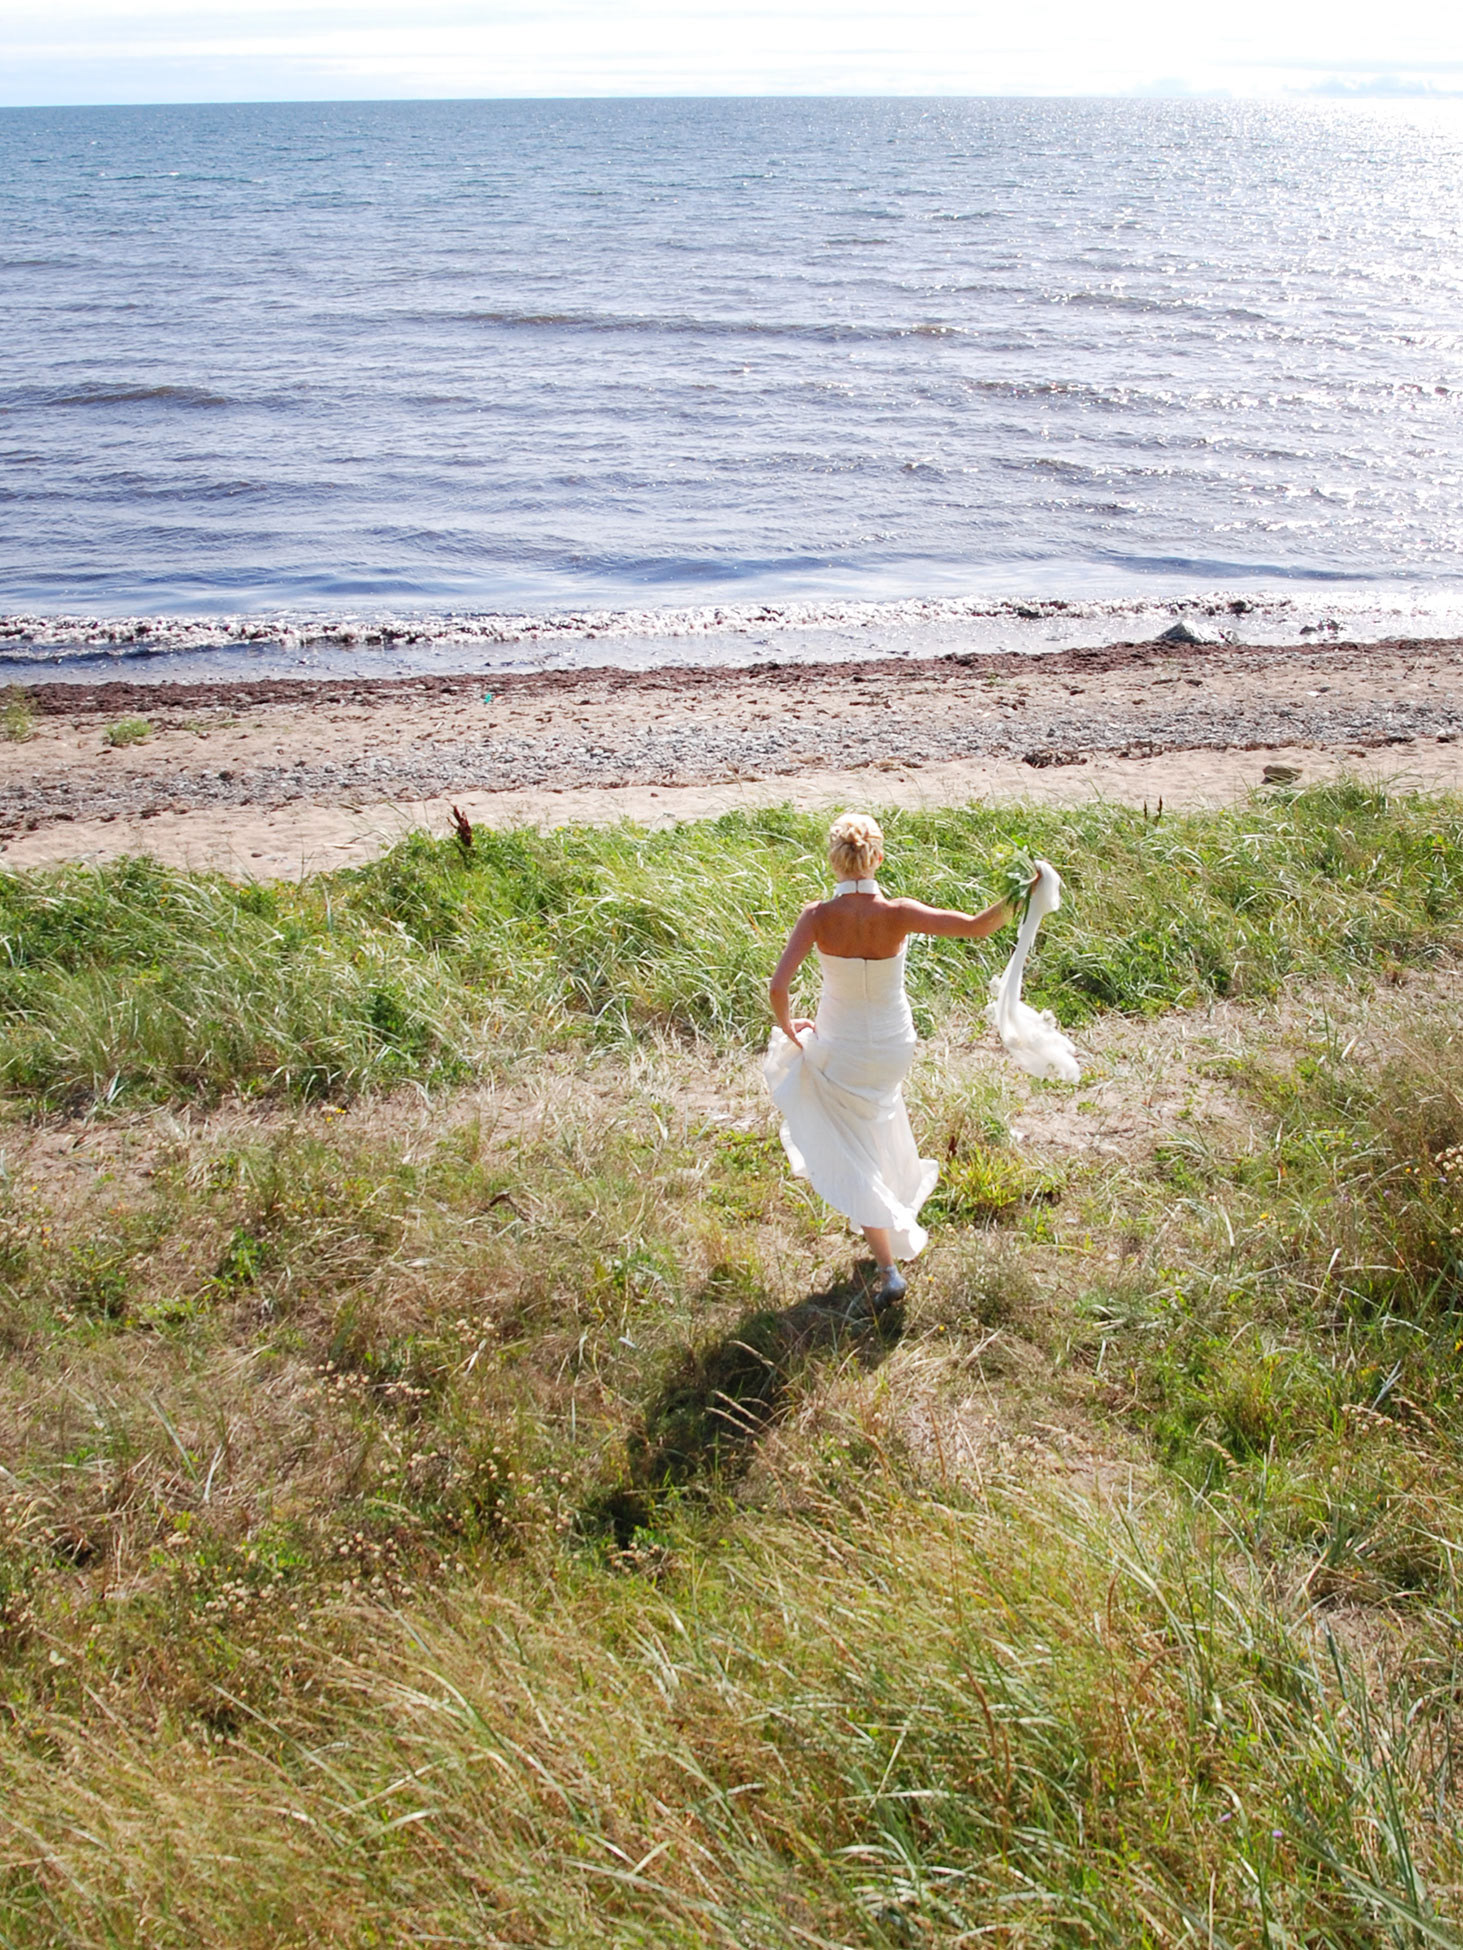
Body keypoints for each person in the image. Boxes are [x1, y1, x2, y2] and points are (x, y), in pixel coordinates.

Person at [764, 812, 1031, 1302]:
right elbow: (978, 926)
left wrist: (790, 1029)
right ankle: (890, 1224)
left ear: (834, 862)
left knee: (853, 1153)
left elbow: (778, 987)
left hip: (839, 1046)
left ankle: (889, 1269)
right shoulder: (899, 912)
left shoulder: (817, 917)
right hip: (891, 1046)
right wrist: (1022, 891)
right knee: (874, 1129)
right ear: (878, 857)